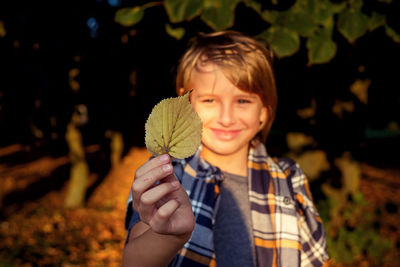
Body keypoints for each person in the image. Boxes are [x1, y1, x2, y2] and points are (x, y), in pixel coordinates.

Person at [123, 31, 329, 267]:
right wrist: (168, 237)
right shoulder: (168, 174)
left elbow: (312, 259)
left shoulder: (289, 177)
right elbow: (133, 261)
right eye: (210, 100)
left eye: (243, 101)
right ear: (186, 104)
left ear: (264, 110)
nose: (226, 118)